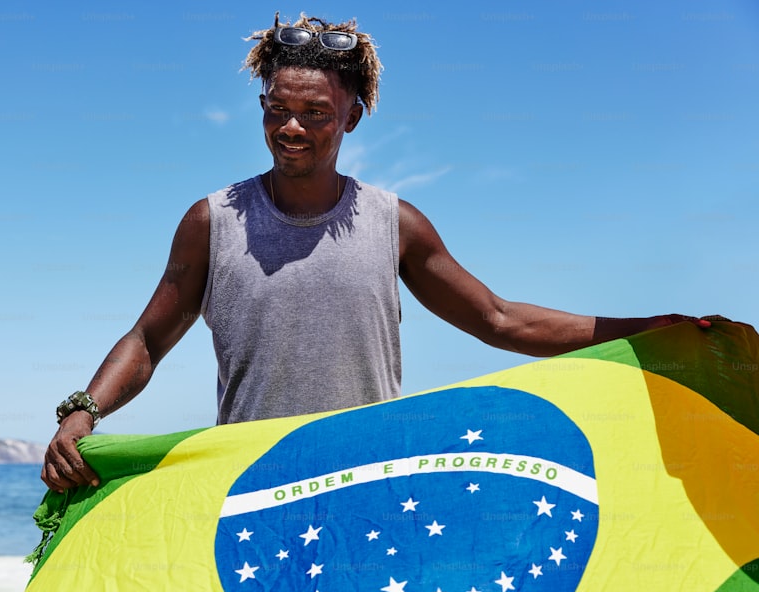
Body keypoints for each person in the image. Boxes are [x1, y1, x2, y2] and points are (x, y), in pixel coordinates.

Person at [41, 13, 708, 493]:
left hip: (371, 492)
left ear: (353, 115)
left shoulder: (396, 225)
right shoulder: (212, 221)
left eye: (316, 113)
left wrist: (648, 331)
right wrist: (84, 411)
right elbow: (149, 338)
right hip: (249, 490)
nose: (291, 128)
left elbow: (500, 320)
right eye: (276, 109)